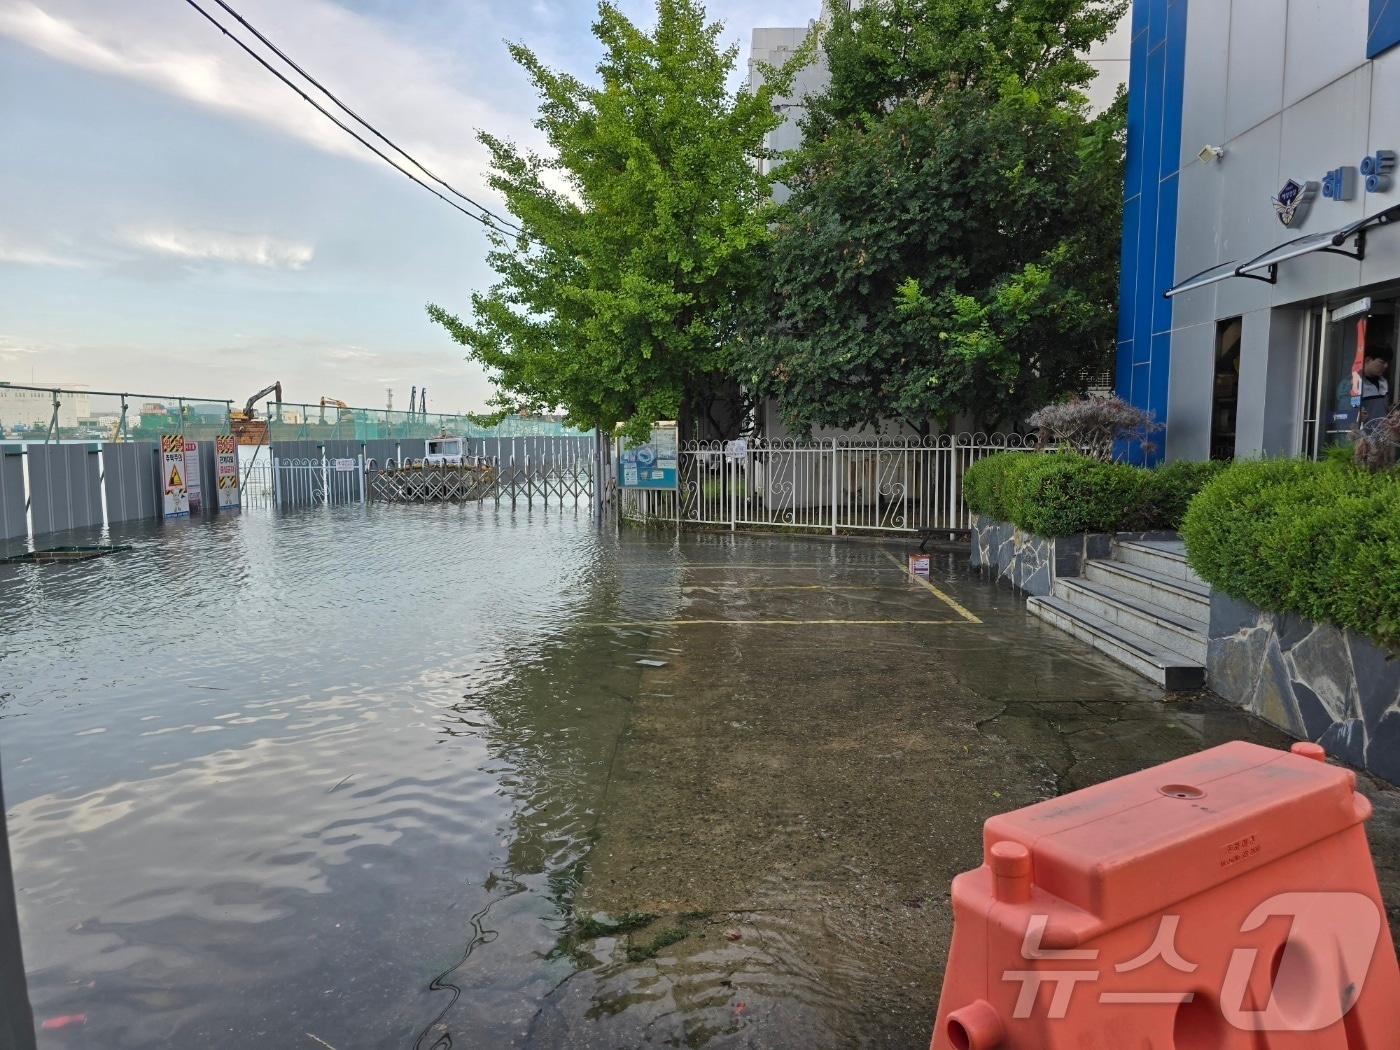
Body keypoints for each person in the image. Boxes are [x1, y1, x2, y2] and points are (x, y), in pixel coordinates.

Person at [1336, 347, 1391, 425]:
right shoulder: (1351, 383)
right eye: (1382, 362)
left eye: (1387, 362)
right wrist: (1357, 416)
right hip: (1363, 435)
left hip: (1382, 435)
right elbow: (1344, 416)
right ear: (1368, 360)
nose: (1386, 366)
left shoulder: (1383, 382)